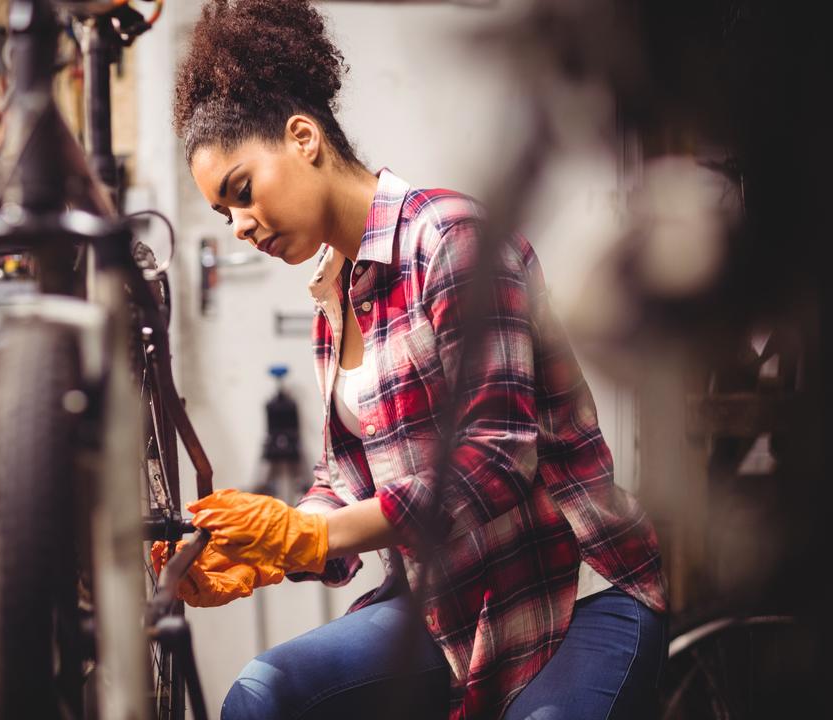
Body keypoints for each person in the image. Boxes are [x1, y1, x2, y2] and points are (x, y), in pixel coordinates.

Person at [153, 1, 669, 718]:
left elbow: (493, 461)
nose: (239, 226)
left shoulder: (450, 241)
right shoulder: (333, 300)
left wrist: (312, 533)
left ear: (302, 137)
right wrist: (269, 553)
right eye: (222, 214)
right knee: (262, 695)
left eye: (241, 191)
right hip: (450, 607)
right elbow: (346, 482)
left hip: (573, 591)